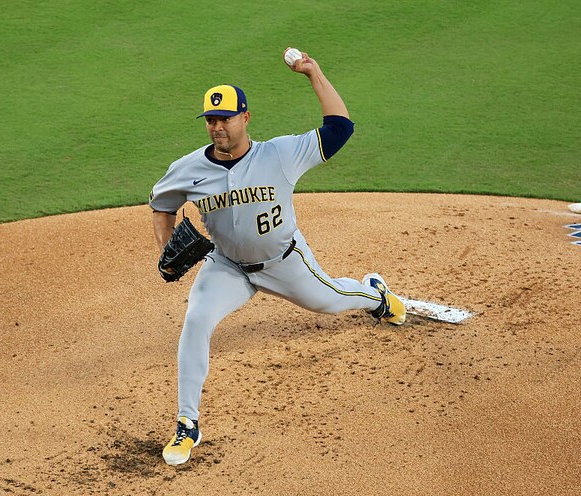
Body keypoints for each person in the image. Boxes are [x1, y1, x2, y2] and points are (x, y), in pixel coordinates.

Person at [149, 50, 406, 466]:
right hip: (227, 266)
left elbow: (340, 129)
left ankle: (375, 295)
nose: (217, 127)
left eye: (225, 118)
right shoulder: (188, 169)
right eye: (211, 120)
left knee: (331, 301)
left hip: (285, 261)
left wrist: (314, 73)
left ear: (245, 119)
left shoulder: (281, 154)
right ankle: (186, 423)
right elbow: (161, 204)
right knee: (196, 319)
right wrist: (164, 248)